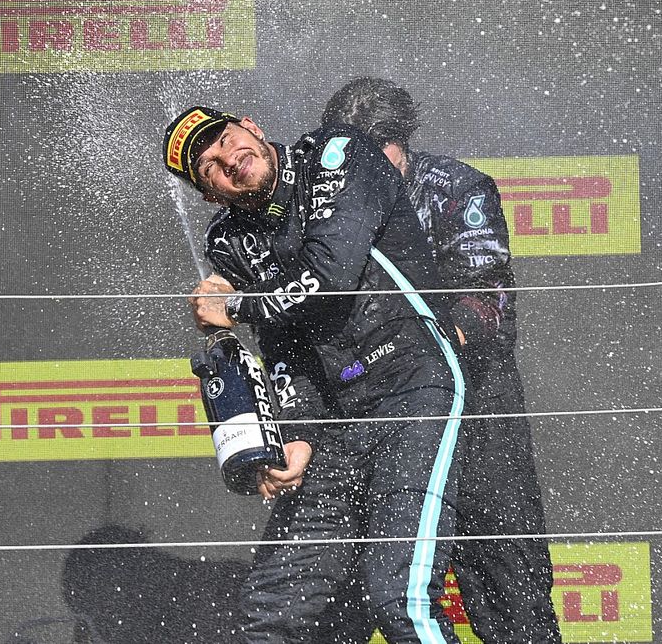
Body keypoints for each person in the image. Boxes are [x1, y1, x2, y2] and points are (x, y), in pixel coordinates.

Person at [163, 105, 471, 643]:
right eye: (208, 166)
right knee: (272, 611)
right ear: (209, 192)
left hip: (413, 384)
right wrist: (299, 430)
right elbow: (284, 344)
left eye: (224, 139)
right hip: (335, 418)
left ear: (252, 128)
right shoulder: (227, 240)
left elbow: (331, 274)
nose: (227, 159)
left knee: (400, 596)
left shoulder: (337, 154)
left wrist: (234, 308)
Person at [320, 77, 562, 643]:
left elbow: (491, 305)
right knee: (356, 595)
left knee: (512, 593)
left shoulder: (457, 189)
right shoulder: (325, 199)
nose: (363, 173)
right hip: (376, 415)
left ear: (403, 145)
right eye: (349, 157)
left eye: (376, 156)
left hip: (475, 409)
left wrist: (416, 350)